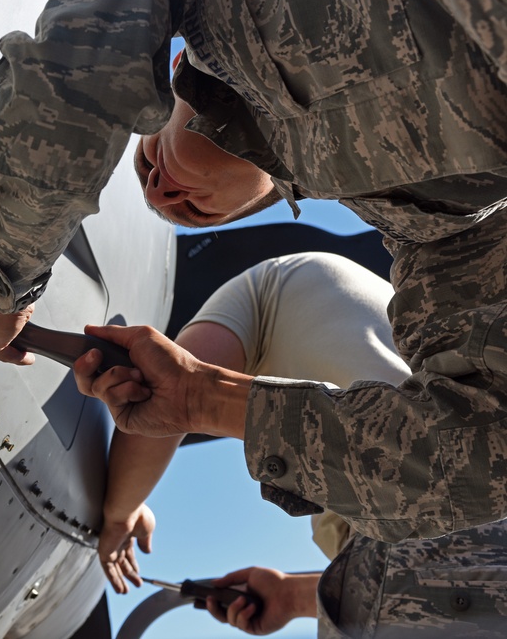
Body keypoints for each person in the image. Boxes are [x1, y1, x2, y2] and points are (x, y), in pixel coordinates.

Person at [0, 0, 507, 542]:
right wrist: (202, 399)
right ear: (264, 201)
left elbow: (82, 69)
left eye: (147, 161)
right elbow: (483, 456)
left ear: (174, 68)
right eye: (193, 212)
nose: (159, 191)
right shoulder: (439, 225)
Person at [95, 252, 507, 637]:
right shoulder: (355, 303)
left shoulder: (265, 290)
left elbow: (166, 396)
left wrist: (121, 512)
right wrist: (291, 596)